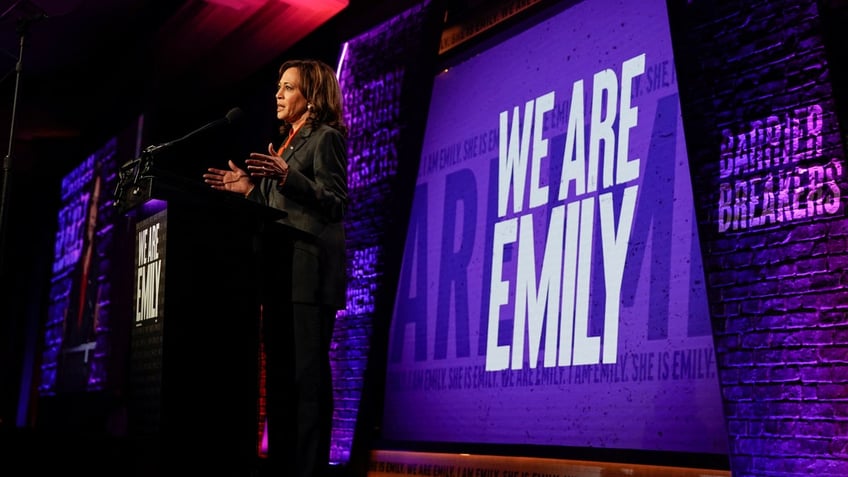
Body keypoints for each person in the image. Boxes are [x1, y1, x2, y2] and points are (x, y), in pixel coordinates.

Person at [203, 59, 348, 477]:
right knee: (281, 383)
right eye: (279, 87)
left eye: (288, 88)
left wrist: (288, 178)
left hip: (308, 275)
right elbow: (276, 214)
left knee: (307, 384)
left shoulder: (326, 139)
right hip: (278, 274)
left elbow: (335, 202)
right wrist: (250, 190)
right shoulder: (284, 145)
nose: (278, 95)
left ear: (311, 97)